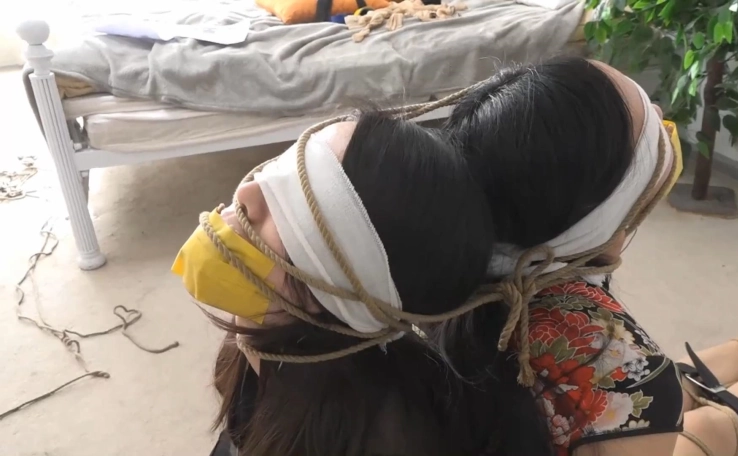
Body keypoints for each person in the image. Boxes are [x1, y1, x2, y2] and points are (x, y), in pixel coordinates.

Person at [438, 56, 738, 456]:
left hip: (591, 408)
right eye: (652, 130)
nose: (661, 113)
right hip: (619, 419)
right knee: (710, 427)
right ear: (606, 214)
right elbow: (634, 387)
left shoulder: (437, 279)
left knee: (660, 387)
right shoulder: (622, 366)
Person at [171, 109, 558, 455]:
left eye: (293, 208)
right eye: (284, 166)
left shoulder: (376, 437)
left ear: (341, 297)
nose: (246, 192)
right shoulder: (257, 337)